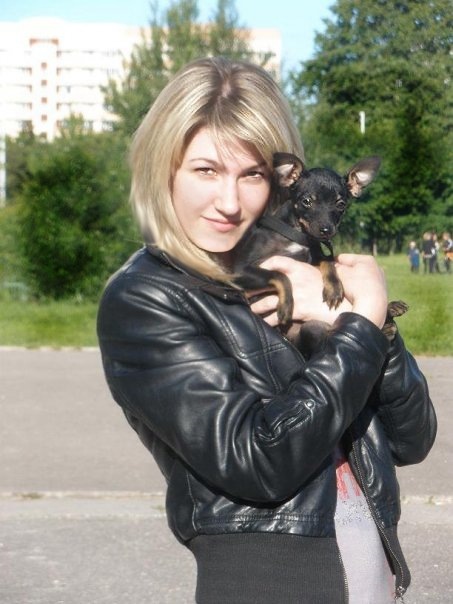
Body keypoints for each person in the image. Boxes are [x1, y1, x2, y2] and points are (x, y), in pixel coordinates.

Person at [97, 57, 436, 604]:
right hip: (268, 582)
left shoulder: (304, 270)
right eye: (206, 170)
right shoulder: (146, 298)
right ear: (164, 169)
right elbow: (261, 463)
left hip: (373, 581)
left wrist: (374, 326)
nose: (231, 202)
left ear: (280, 176)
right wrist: (360, 325)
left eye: (251, 174)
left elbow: (410, 439)